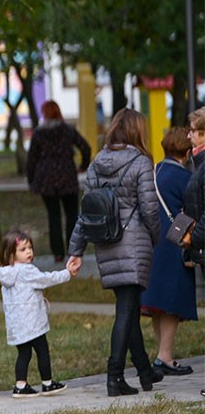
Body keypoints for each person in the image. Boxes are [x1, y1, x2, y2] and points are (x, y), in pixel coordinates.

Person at [67, 109, 161, 397]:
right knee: (126, 311)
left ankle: (144, 371)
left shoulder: (96, 164)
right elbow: (149, 209)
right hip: (133, 242)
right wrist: (155, 238)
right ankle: (115, 375)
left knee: (128, 308)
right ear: (136, 131)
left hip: (106, 243)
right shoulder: (141, 162)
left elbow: (87, 211)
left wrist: (76, 249)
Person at [140, 127, 196, 376]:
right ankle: (165, 356)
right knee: (172, 303)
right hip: (175, 243)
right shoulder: (186, 178)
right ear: (187, 151)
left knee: (157, 302)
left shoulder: (153, 172)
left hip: (151, 242)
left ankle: (162, 354)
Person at [0, 229, 75, 398]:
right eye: (23, 249)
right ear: (11, 253)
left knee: (24, 353)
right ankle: (47, 383)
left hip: (17, 324)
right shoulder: (26, 271)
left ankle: (20, 385)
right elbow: (47, 279)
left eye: (30, 248)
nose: (29, 252)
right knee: (42, 351)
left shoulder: (6, 273)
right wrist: (67, 273)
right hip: (32, 323)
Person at [26, 100, 92, 261]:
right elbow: (85, 147)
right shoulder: (67, 130)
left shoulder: (39, 133)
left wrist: (31, 180)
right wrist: (83, 165)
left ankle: (57, 253)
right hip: (67, 178)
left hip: (46, 181)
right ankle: (73, 251)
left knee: (53, 216)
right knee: (71, 215)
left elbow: (31, 159)